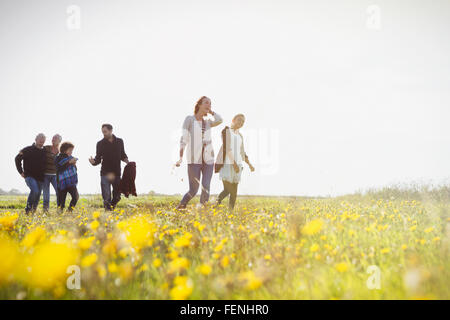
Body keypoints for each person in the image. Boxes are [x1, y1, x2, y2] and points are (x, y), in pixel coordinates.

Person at [175, 96, 222, 210]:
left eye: (210, 104)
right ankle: (181, 206)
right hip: (193, 159)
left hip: (208, 159)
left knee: (206, 186)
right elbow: (184, 139)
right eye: (206, 103)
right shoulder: (189, 119)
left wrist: (211, 111)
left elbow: (220, 120)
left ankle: (202, 211)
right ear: (199, 105)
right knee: (194, 189)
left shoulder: (208, 122)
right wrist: (180, 157)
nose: (208, 105)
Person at [215, 114, 255, 210]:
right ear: (233, 119)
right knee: (227, 189)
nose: (241, 123)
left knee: (234, 191)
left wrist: (249, 164)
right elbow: (227, 147)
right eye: (239, 120)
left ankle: (230, 213)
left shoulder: (240, 135)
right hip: (228, 164)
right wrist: (234, 164)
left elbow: (242, 151)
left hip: (238, 164)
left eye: (243, 122)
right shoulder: (226, 131)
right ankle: (216, 203)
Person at [89, 124, 129, 211]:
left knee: (117, 196)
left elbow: (122, 154)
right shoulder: (100, 144)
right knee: (106, 197)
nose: (104, 134)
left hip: (116, 173)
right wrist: (93, 162)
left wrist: (127, 161)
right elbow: (98, 158)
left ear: (111, 130)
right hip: (105, 173)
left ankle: (110, 209)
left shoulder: (119, 141)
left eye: (105, 132)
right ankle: (108, 214)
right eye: (103, 132)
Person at [14, 133, 47, 214]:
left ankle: (33, 211)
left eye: (43, 140)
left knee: (38, 195)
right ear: (36, 139)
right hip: (29, 176)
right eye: (40, 139)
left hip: (41, 177)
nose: (41, 141)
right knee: (35, 191)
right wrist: (20, 171)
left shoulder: (44, 151)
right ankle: (28, 210)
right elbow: (17, 159)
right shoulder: (27, 149)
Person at [55, 142, 79, 212]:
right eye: (70, 150)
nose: (71, 152)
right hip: (62, 182)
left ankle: (69, 211)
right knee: (61, 202)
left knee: (76, 197)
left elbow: (74, 170)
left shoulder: (71, 158)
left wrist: (74, 165)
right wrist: (69, 163)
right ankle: (59, 216)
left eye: (72, 150)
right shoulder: (58, 158)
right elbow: (59, 168)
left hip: (71, 182)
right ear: (64, 150)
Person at [42, 134, 62, 212]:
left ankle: (59, 210)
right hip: (45, 175)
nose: (53, 139)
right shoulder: (46, 148)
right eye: (53, 138)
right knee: (46, 195)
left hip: (56, 176)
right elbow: (37, 149)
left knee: (59, 193)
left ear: (59, 141)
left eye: (55, 138)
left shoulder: (61, 151)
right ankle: (45, 211)